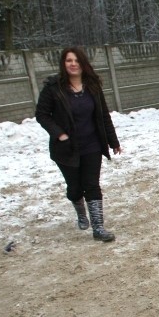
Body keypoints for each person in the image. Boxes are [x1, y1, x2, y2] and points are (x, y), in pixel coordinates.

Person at [35, 46, 122, 242]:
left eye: (76, 61)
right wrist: (59, 134)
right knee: (75, 188)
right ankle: (81, 212)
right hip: (66, 148)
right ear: (63, 64)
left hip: (92, 144)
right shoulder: (53, 88)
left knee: (92, 185)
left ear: (83, 64)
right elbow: (41, 115)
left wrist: (113, 141)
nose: (73, 64)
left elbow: (103, 115)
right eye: (68, 61)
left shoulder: (92, 86)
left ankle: (98, 227)